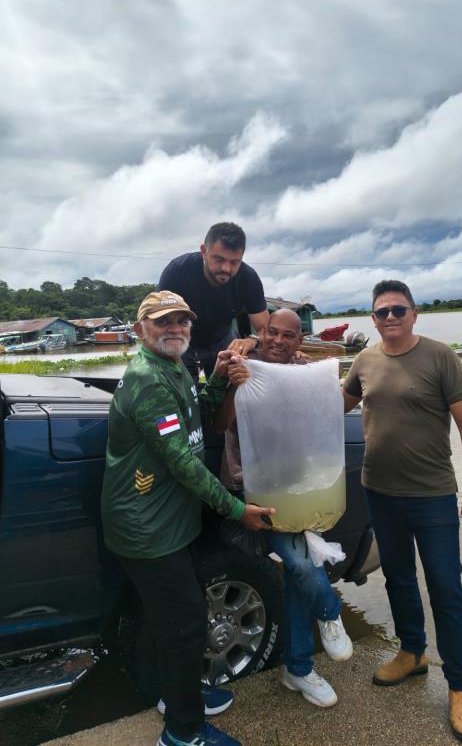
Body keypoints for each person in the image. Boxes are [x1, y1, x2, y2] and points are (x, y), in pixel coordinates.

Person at [101, 290, 275, 746]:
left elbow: (197, 414)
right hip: (148, 531)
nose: (174, 328)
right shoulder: (149, 380)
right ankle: (183, 732)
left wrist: (218, 378)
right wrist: (237, 509)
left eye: (181, 321)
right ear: (140, 330)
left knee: (171, 621)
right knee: (185, 627)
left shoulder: (173, 366)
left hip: (168, 524)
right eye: (162, 322)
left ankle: (176, 694)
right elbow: (182, 462)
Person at [342, 280, 462, 742]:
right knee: (399, 578)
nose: (390, 317)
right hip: (379, 493)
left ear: (414, 313)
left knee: (446, 587)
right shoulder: (364, 361)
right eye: (381, 312)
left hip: (432, 496)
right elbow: (333, 406)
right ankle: (412, 652)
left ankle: (461, 687)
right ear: (372, 318)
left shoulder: (441, 357)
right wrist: (275, 376)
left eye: (398, 310)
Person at [218, 309, 354, 708]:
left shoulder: (301, 371)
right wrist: (233, 386)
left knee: (297, 580)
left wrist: (319, 377)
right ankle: (330, 612)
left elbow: (322, 416)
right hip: (253, 489)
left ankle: (298, 669)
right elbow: (219, 424)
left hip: (299, 487)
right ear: (261, 333)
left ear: (299, 340)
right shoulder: (242, 366)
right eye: (271, 332)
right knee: (300, 565)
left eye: (288, 335)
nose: (278, 340)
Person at [158, 222, 269, 379]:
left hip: (224, 341)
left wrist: (252, 340)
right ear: (204, 251)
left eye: (234, 262)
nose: (226, 268)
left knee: (235, 384)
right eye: (219, 259)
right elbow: (158, 323)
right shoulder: (177, 272)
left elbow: (266, 329)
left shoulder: (248, 279)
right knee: (180, 389)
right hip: (183, 342)